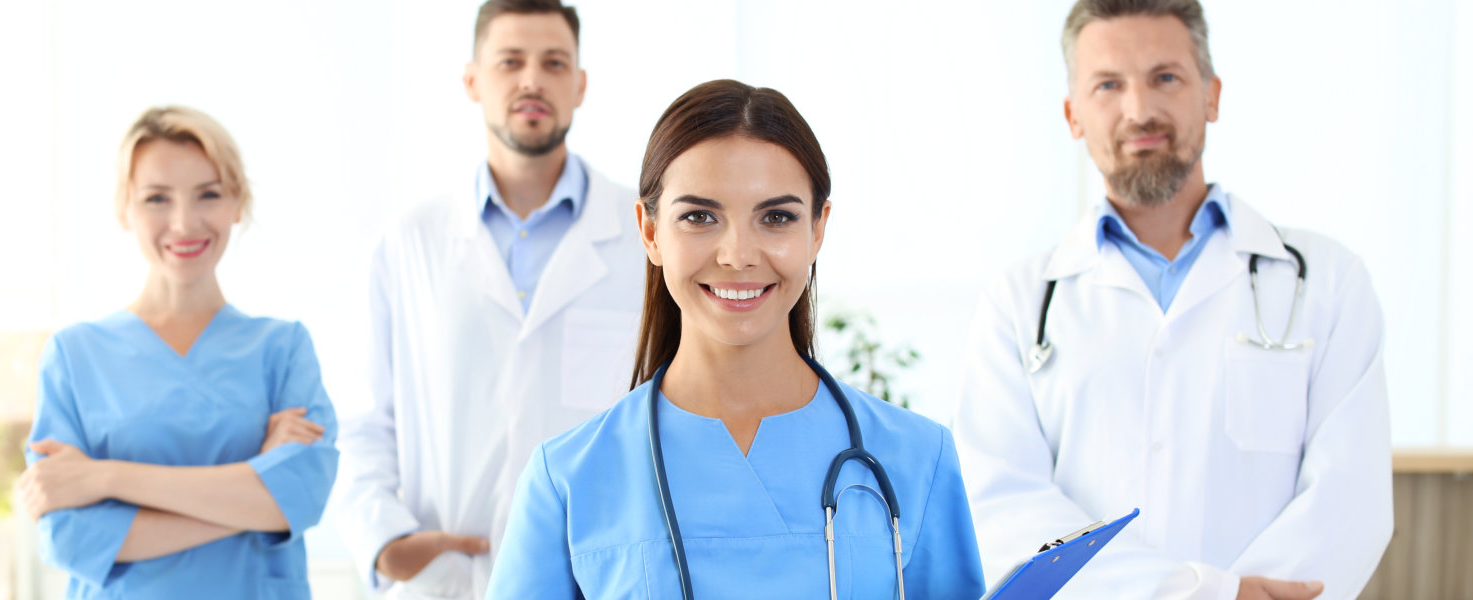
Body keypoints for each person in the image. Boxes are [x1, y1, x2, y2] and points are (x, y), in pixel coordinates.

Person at [952, 1, 1394, 599]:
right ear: (1073, 114)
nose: (1140, 110)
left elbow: (1349, 498)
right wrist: (1201, 594)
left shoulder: (1328, 282)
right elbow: (1002, 510)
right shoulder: (1018, 305)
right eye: (1108, 85)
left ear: (1211, 95)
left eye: (1166, 77)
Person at [485, 79, 985, 600]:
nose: (738, 253)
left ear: (817, 230)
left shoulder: (919, 459)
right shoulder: (567, 481)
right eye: (700, 217)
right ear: (650, 232)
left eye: (777, 217)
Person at [330, 0, 645, 597]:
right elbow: (366, 421)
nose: (531, 79)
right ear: (473, 81)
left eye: (554, 63)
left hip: (595, 576)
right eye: (510, 61)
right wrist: (384, 542)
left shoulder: (643, 236)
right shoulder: (409, 241)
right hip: (447, 579)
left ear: (579, 86)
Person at [16, 106, 339, 599]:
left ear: (238, 202)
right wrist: (252, 485)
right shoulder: (75, 356)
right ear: (125, 208)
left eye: (208, 194)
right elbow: (70, 538)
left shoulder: (282, 349)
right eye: (156, 199)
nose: (184, 223)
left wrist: (104, 478)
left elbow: (301, 498)